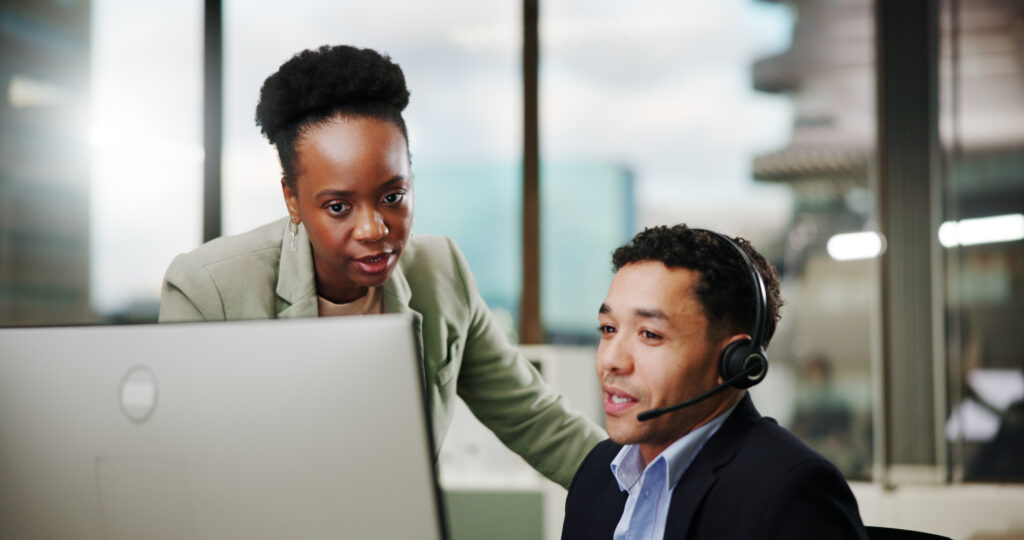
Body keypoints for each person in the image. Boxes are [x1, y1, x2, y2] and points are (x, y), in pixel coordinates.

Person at [159, 44, 604, 488]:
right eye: (338, 207)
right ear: (292, 198)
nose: (374, 229)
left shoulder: (440, 270)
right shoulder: (209, 290)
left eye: (393, 197)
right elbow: (178, 468)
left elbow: (538, 420)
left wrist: (653, 492)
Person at [562, 225, 867, 539]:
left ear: (734, 360)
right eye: (608, 328)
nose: (611, 360)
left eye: (650, 334)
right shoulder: (598, 471)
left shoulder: (791, 491)